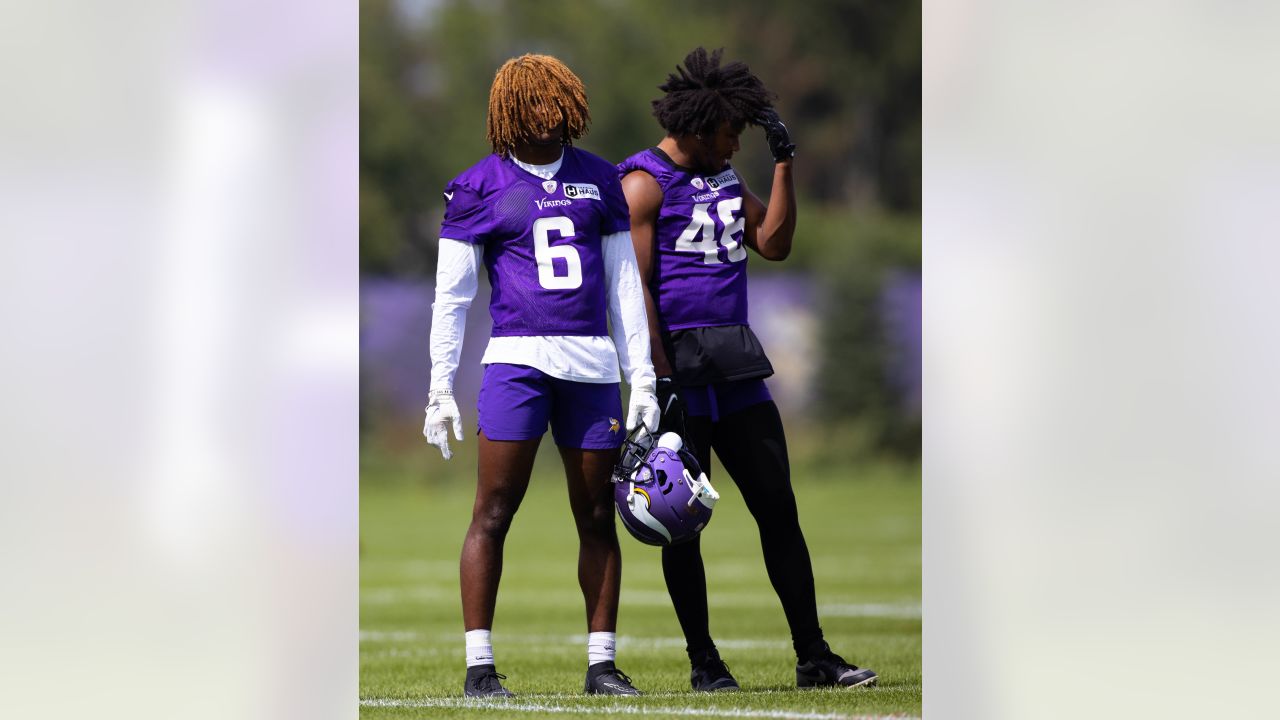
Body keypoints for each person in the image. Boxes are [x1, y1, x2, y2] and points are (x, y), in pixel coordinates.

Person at [617, 47, 879, 692]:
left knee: (778, 510)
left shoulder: (727, 181)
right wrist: (657, 380)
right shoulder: (643, 183)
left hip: (735, 367)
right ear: (701, 126)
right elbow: (635, 289)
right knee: (683, 522)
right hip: (680, 370)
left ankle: (814, 655)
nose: (738, 145)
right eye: (731, 132)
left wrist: (787, 163)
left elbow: (777, 244)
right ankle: (704, 663)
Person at [423, 53, 658, 698]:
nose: (550, 116)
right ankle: (478, 668)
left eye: (559, 104)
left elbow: (622, 286)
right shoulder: (478, 185)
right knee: (493, 512)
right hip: (518, 361)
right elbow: (453, 297)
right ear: (510, 112)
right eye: (537, 104)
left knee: (596, 517)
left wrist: (642, 378)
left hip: (590, 365)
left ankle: (602, 663)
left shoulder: (601, 178)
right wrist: (440, 385)